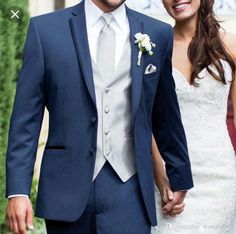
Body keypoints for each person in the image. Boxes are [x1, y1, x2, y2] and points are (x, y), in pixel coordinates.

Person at [5, 0, 193, 233]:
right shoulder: (45, 30)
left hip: (129, 192)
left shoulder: (157, 32)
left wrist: (179, 174)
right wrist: (18, 191)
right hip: (65, 191)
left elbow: (165, 114)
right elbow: (26, 119)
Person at [151, 0, 236, 233]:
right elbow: (145, 120)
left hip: (220, 178)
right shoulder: (154, 48)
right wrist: (160, 172)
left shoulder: (231, 44)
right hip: (168, 176)